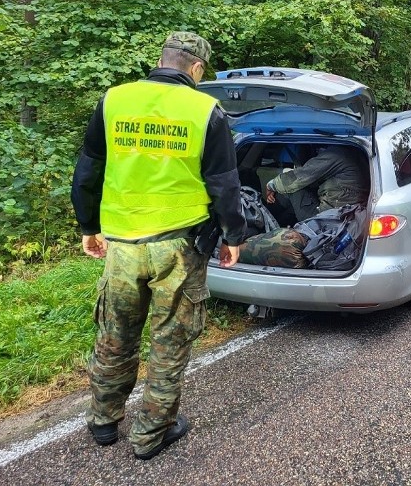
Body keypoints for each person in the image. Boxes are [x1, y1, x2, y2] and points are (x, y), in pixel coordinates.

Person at [71, 31, 247, 459]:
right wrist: (234, 235)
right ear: (197, 68)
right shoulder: (206, 110)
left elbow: (88, 168)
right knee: (170, 341)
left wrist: (88, 225)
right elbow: (224, 185)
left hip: (122, 246)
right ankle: (151, 433)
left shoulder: (114, 100)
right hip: (179, 247)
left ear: (163, 59)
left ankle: (104, 422)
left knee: (115, 335)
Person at [265, 145, 368, 224]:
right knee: (291, 202)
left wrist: (272, 185)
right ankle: (277, 222)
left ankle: (266, 218)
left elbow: (300, 176)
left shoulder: (336, 155)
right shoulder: (361, 153)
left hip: (325, 219)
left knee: (291, 188)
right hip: (351, 216)